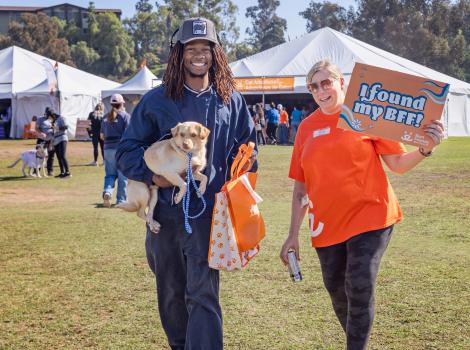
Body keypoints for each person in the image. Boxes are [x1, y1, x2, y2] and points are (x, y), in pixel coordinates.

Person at [280, 60, 444, 350]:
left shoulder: (366, 117)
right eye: (314, 86)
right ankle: (357, 340)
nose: (321, 90)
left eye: (326, 82)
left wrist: (424, 149)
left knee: (359, 284)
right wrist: (292, 235)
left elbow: (398, 165)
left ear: (342, 83)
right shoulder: (306, 128)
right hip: (327, 225)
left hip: (372, 216)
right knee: (336, 290)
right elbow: (300, 188)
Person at [116, 17, 256, 349]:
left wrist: (244, 179)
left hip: (210, 217)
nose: (198, 55)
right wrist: (156, 177)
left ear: (215, 54)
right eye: (190, 49)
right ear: (178, 55)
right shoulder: (156, 100)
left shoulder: (230, 100)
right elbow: (125, 151)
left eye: (205, 49)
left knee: (204, 295)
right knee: (171, 296)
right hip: (165, 218)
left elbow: (248, 149)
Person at [101, 94, 129, 207]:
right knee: (123, 176)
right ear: (122, 103)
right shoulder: (125, 116)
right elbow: (129, 134)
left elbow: (102, 136)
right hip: (121, 149)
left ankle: (107, 192)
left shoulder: (105, 117)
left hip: (108, 149)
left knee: (110, 175)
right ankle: (121, 200)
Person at [36, 107, 56, 176]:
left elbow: (55, 128)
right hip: (41, 140)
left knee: (51, 155)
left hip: (50, 140)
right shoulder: (40, 119)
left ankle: (50, 171)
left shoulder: (52, 120)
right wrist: (41, 133)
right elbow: (36, 128)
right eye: (48, 114)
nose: (48, 116)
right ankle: (36, 171)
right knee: (39, 155)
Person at [52, 112, 71, 178]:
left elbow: (66, 126)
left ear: (53, 115)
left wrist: (58, 128)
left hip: (62, 138)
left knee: (62, 155)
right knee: (59, 157)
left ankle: (68, 172)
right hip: (56, 140)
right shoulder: (54, 120)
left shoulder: (61, 118)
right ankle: (62, 172)